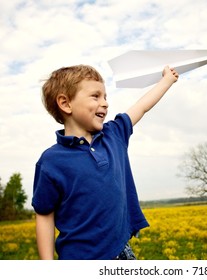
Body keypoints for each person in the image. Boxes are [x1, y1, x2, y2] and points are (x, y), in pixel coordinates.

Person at [32, 64, 179, 260]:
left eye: (105, 97)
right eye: (96, 96)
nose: (105, 103)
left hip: (120, 252)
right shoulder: (51, 161)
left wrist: (167, 80)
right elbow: (44, 214)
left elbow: (142, 106)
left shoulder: (114, 134)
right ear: (66, 104)